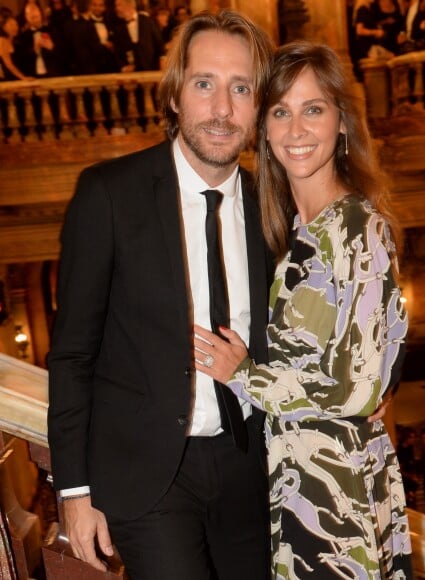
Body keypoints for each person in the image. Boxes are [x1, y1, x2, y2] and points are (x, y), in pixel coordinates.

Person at [47, 10, 275, 579]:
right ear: (175, 96)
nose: (222, 109)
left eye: (240, 88)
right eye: (205, 84)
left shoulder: (276, 207)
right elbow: (73, 354)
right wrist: (73, 490)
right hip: (150, 479)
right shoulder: (108, 196)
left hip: (255, 468)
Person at [193, 40, 413, 579]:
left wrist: (243, 377)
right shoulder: (293, 233)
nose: (296, 130)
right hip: (294, 482)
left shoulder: (359, 228)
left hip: (339, 495)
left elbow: (358, 389)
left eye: (313, 109)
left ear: (341, 121)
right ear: (262, 129)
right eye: (280, 112)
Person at [397, 426, 420, 509]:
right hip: (405, 480)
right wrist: (411, 477)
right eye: (411, 437)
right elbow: (400, 470)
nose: (413, 440)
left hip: (411, 478)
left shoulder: (410, 448)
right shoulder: (401, 450)